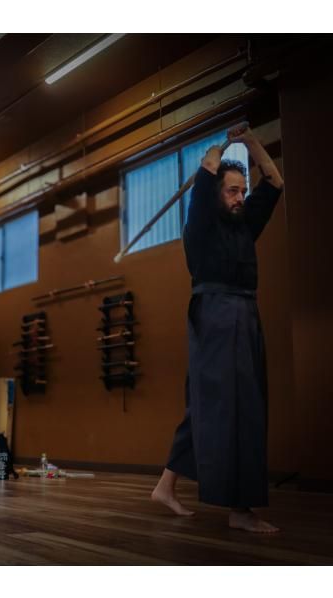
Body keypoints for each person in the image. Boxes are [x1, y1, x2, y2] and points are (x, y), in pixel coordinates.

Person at [151, 123, 284, 533]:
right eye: (232, 191)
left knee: (213, 404)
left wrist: (251, 142)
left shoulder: (244, 223)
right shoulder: (201, 224)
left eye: (242, 191)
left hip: (245, 314)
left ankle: (165, 486)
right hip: (215, 313)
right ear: (214, 194)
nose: (240, 197)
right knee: (233, 407)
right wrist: (222, 145)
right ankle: (240, 510)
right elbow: (208, 169)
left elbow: (275, 182)